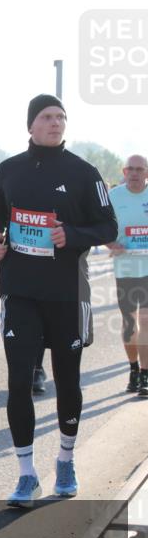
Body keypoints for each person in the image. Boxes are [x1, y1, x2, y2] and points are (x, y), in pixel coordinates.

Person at [0, 94, 117, 508]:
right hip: (20, 289)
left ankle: (65, 460)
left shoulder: (83, 172)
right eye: (47, 117)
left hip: (66, 291)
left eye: (61, 117)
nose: (56, 123)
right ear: (31, 126)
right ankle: (25, 474)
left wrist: (71, 236)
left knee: (68, 379)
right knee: (19, 380)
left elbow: (108, 225)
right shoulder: (9, 169)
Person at [107, 155, 148, 397]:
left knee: (146, 319)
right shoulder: (114, 197)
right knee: (130, 323)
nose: (134, 173)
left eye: (139, 169)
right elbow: (99, 225)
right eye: (130, 169)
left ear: (146, 173)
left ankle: (145, 373)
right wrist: (110, 243)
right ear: (124, 171)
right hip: (125, 268)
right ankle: (133, 369)